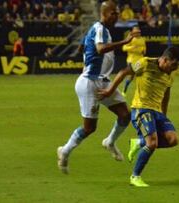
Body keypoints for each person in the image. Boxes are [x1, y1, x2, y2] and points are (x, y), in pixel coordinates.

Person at [57, 1, 140, 174]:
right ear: (105, 13)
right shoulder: (100, 28)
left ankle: (109, 142)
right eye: (114, 13)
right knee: (89, 128)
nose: (116, 16)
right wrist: (125, 41)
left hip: (103, 80)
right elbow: (100, 49)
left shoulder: (100, 30)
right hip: (90, 83)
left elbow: (84, 48)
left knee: (125, 115)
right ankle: (64, 151)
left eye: (117, 13)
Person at [97, 46, 179, 187]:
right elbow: (123, 72)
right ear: (165, 60)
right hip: (141, 109)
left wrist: (163, 114)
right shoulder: (145, 63)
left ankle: (138, 143)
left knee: (173, 140)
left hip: (157, 111)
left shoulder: (170, 74)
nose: (174, 69)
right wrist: (109, 90)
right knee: (152, 143)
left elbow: (166, 94)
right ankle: (135, 176)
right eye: (173, 65)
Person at [121, 25, 146, 97]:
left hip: (140, 60)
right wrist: (132, 48)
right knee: (131, 77)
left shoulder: (142, 39)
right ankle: (124, 90)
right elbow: (124, 48)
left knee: (141, 77)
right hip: (131, 60)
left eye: (138, 31)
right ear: (133, 32)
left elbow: (144, 49)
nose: (137, 32)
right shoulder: (130, 39)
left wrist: (143, 50)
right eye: (135, 31)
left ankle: (140, 93)